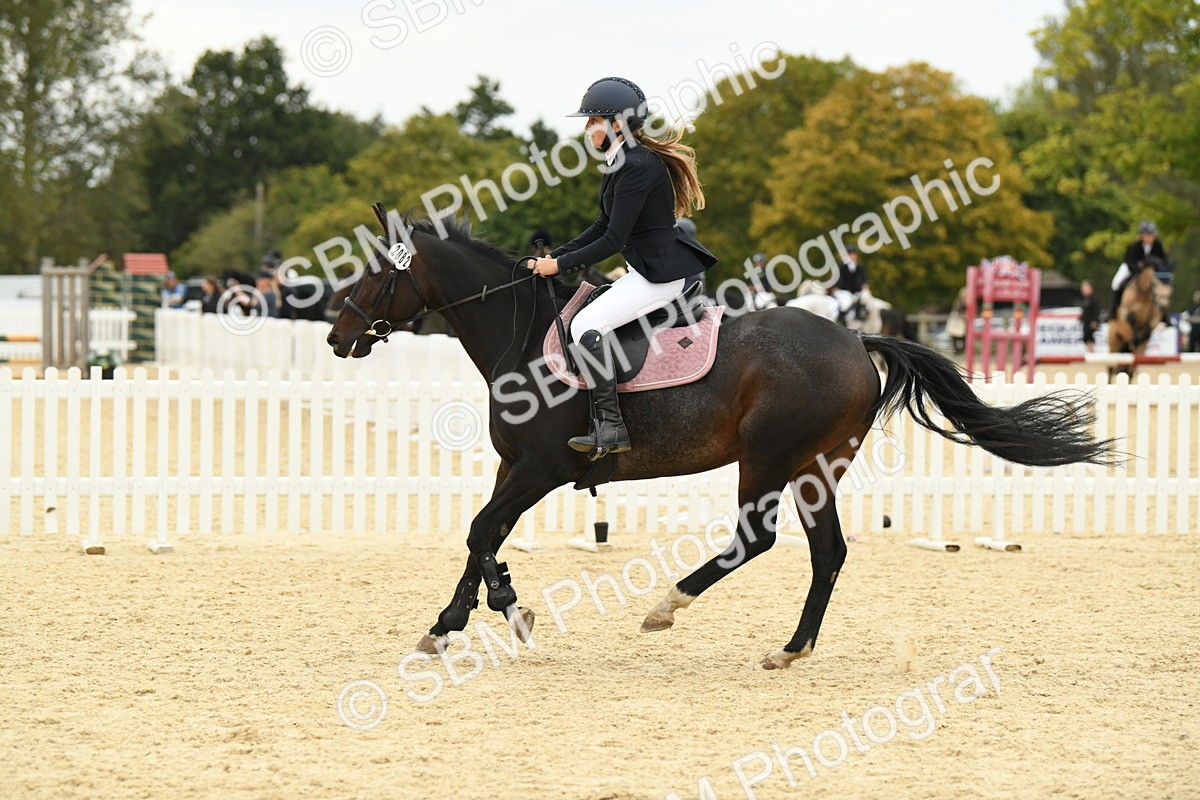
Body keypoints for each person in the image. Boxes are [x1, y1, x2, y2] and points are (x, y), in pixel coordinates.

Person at [527, 76, 718, 457]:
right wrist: (556, 259)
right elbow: (600, 225)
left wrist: (560, 265)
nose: (586, 129)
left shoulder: (637, 166)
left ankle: (611, 426)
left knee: (584, 324)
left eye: (592, 120)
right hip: (644, 271)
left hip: (657, 277)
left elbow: (613, 240)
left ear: (616, 123)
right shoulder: (623, 161)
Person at [1110, 220, 1168, 319]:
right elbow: (1130, 262)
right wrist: (1138, 269)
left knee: (1163, 288)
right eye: (1148, 235)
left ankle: (1164, 314)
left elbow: (1163, 261)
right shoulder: (1135, 246)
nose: (1151, 237)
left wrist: (1153, 265)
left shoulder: (1158, 245)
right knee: (1115, 283)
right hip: (1130, 268)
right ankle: (1113, 311)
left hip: (1150, 271)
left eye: (1152, 235)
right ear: (1142, 236)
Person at [831, 245, 869, 325]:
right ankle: (841, 321)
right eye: (850, 254)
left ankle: (860, 320)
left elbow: (863, 280)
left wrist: (864, 286)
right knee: (845, 304)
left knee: (866, 303)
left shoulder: (859, 268)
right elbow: (837, 279)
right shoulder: (841, 267)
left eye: (854, 254)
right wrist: (835, 287)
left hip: (856, 292)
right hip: (843, 291)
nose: (853, 256)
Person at [1079, 279, 1100, 351]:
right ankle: (1091, 351)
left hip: (1091, 323)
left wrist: (1095, 321)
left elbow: (1096, 311)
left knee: (1089, 338)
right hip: (1086, 322)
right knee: (1086, 339)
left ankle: (1093, 352)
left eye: (1085, 288)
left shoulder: (1094, 299)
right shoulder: (1085, 299)